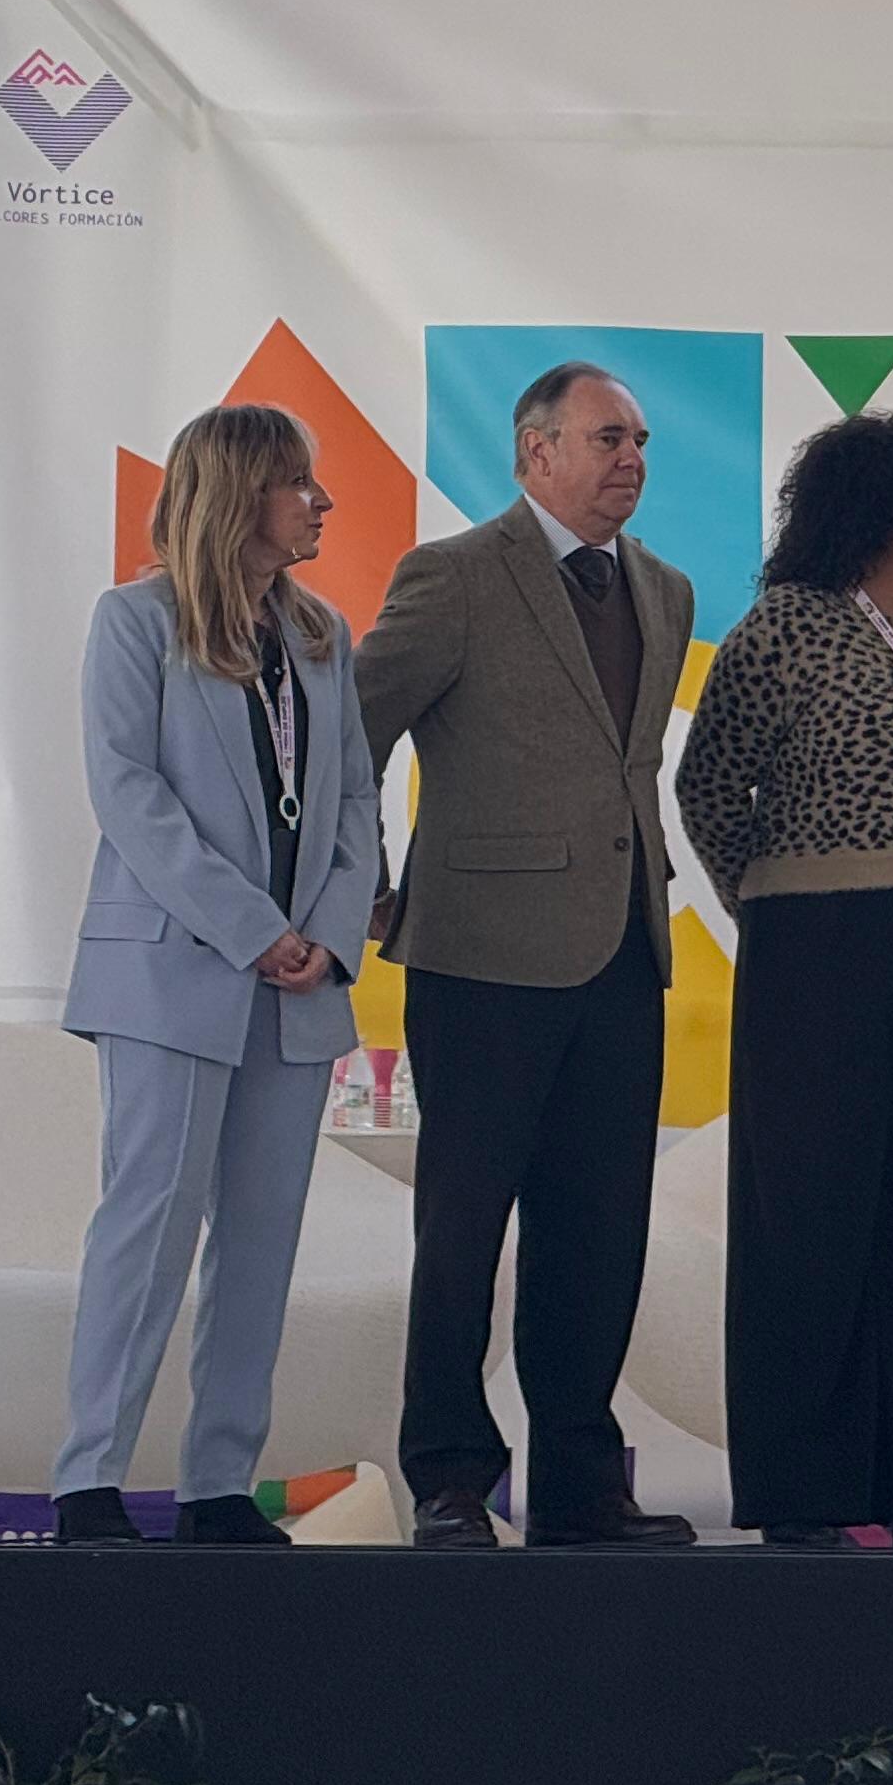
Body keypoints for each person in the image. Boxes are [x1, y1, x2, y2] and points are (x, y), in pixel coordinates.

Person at [357, 361, 697, 1550]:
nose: (632, 459)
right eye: (608, 438)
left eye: (641, 440)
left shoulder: (665, 589)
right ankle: (450, 1478)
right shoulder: (452, 574)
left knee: (600, 1232)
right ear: (534, 451)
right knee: (462, 1230)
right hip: (480, 956)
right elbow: (352, 734)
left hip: (622, 951)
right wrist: (367, 888)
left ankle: (580, 1486)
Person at [677, 411, 893, 1550]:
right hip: (818, 945)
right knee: (809, 1211)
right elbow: (709, 787)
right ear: (868, 504)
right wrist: (776, 900)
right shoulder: (783, 626)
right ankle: (803, 1493)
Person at [52, 402, 385, 1546]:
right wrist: (253, 928)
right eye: (299, 484)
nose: (320, 503)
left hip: (297, 988)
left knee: (261, 1240)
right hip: (170, 975)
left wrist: (328, 934)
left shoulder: (322, 636)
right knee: (148, 1224)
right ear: (240, 496)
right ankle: (89, 1478)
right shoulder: (135, 622)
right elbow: (128, 794)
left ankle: (219, 1485)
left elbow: (354, 798)